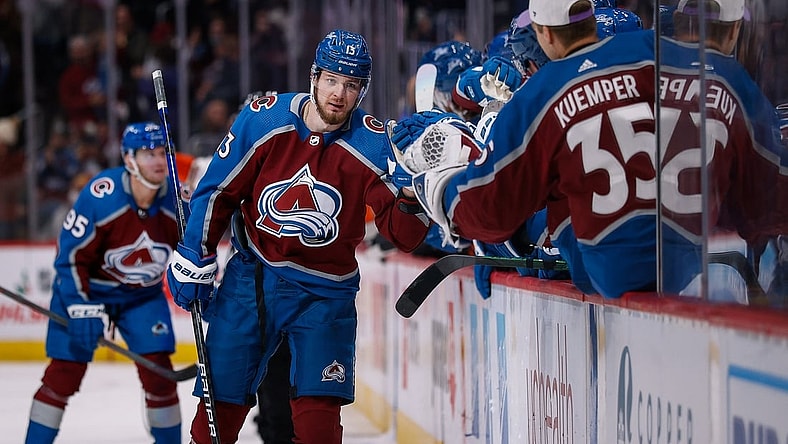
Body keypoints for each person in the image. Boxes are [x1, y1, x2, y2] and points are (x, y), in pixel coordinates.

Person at [166, 29, 430, 444]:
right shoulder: (263, 118)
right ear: (314, 77)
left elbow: (404, 235)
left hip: (326, 294)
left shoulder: (375, 144)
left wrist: (414, 195)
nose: (339, 93)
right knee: (219, 411)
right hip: (254, 278)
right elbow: (219, 191)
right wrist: (194, 253)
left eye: (351, 85)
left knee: (317, 424)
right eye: (331, 80)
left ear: (362, 90)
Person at [390, 0, 661, 299]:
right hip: (692, 263)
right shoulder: (663, 56)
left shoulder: (546, 92)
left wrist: (441, 189)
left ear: (546, 34)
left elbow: (490, 206)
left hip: (606, 273)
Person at [24, 122, 183, 443]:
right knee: (63, 375)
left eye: (162, 153)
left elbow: (194, 254)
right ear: (128, 159)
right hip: (88, 290)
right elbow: (70, 259)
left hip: (141, 297)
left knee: (159, 376)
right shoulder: (102, 196)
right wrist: (81, 306)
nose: (157, 161)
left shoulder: (178, 203)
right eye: (147, 153)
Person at [658, 0, 788, 298]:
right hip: (724, 258)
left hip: (652, 262)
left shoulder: (643, 79)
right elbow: (767, 191)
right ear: (734, 31)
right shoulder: (739, 85)